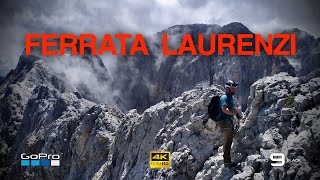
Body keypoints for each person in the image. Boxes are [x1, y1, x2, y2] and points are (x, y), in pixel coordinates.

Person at [217, 80, 242, 167]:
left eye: (235, 88)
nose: (234, 90)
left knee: (229, 140)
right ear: (227, 88)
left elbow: (232, 108)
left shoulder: (230, 97)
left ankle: (227, 160)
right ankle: (227, 162)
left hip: (228, 121)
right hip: (224, 122)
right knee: (228, 141)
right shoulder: (224, 97)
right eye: (232, 88)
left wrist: (237, 114)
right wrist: (234, 114)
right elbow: (224, 109)